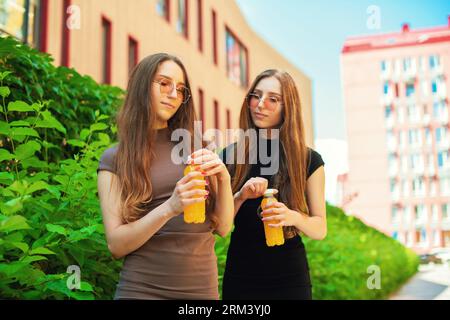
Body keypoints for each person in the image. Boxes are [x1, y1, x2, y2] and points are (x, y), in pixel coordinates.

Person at [97, 53, 233, 299]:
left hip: (200, 292)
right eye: (164, 83)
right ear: (142, 86)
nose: (173, 94)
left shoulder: (199, 147)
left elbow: (223, 227)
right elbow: (116, 245)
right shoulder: (114, 158)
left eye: (181, 89)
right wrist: (171, 206)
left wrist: (223, 177)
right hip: (141, 290)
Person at [220, 69, 327, 300]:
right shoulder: (229, 157)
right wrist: (239, 196)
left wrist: (293, 217)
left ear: (287, 108)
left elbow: (320, 228)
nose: (260, 104)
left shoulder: (309, 160)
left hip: (290, 278)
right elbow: (219, 226)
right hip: (241, 276)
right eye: (256, 96)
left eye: (273, 99)